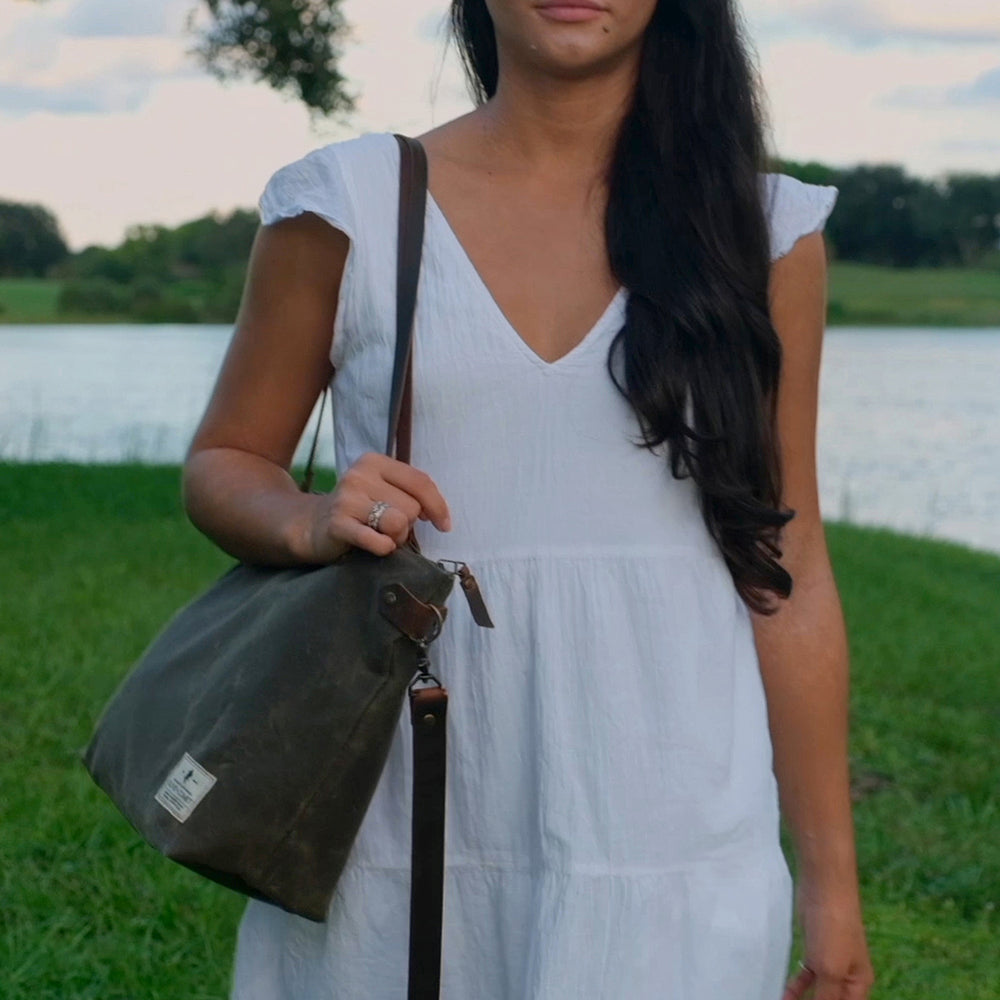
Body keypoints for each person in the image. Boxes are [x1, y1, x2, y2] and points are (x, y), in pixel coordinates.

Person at [182, 1, 875, 997]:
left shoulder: (763, 231)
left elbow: (790, 566)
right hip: (406, 808)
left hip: (669, 828)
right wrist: (303, 515)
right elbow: (226, 458)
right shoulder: (351, 203)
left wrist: (830, 889)